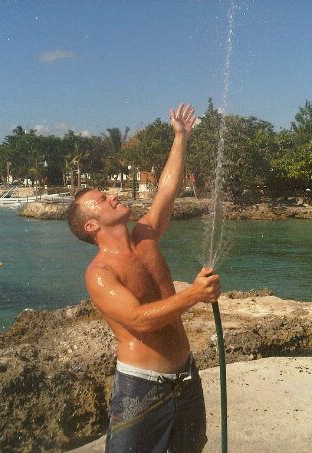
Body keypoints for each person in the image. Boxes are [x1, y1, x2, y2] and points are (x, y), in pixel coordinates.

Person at [67, 102, 220, 452]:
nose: (113, 195)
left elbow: (167, 189)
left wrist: (180, 137)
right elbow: (138, 319)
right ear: (91, 226)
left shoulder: (146, 235)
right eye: (102, 199)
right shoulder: (100, 274)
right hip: (142, 385)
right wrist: (194, 294)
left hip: (185, 375)